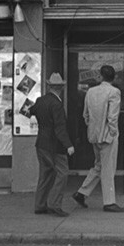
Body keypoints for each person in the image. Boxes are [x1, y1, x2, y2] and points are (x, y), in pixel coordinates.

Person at [73, 65, 124, 213]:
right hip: (107, 135)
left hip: (94, 134)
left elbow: (85, 114)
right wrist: (113, 133)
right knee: (108, 169)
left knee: (99, 166)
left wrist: (92, 127)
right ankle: (109, 202)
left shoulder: (90, 91)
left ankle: (81, 193)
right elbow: (112, 117)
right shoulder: (114, 92)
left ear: (100, 76)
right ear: (113, 77)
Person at [31, 72, 75, 217]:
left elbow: (30, 111)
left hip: (41, 143)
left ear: (49, 86)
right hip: (54, 146)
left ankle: (40, 205)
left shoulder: (40, 101)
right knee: (62, 173)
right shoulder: (57, 104)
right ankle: (54, 204)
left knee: (45, 174)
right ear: (61, 88)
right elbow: (60, 128)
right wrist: (68, 145)